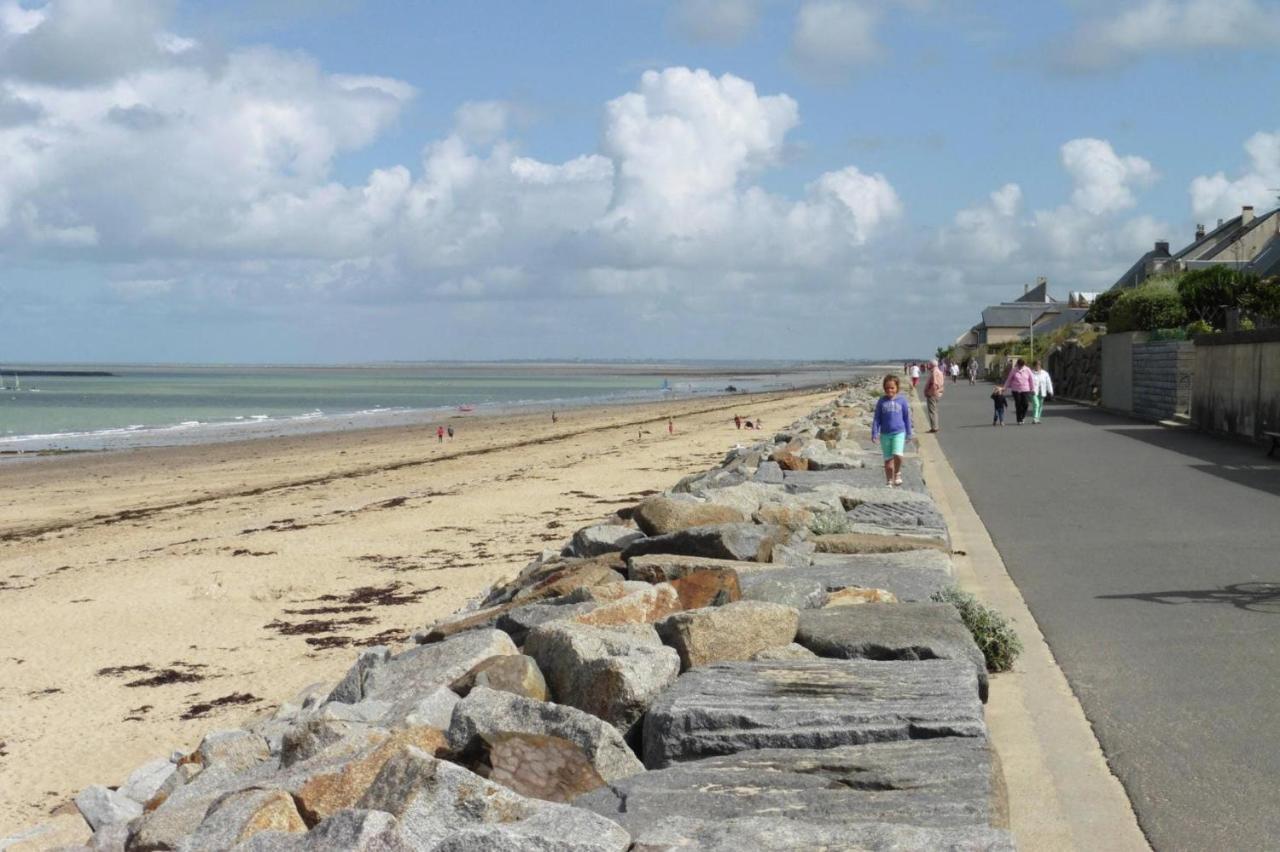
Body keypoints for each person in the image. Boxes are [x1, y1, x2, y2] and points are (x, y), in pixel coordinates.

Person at [871, 374, 913, 487]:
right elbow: (877, 418)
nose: (889, 390)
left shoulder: (902, 401)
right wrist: (874, 432)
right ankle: (889, 480)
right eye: (887, 388)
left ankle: (897, 473)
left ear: (897, 388)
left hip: (899, 432)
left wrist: (909, 433)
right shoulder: (881, 401)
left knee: (898, 455)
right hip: (885, 434)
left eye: (892, 388)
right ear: (884, 388)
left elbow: (906, 417)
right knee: (888, 462)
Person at [1002, 358, 1035, 425]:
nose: (1020, 367)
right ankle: (1019, 419)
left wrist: (1033, 389)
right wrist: (1004, 387)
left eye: (1021, 366)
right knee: (1018, 404)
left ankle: (1023, 416)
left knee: (1025, 404)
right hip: (1016, 390)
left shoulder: (1027, 370)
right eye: (1019, 365)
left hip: (1025, 389)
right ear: (1017, 364)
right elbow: (1009, 379)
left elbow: (1031, 380)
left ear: (1024, 365)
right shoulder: (1014, 370)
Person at [923, 360, 945, 433]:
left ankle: (934, 427)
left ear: (932, 365)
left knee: (932, 411)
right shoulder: (939, 372)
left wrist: (929, 393)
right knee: (934, 410)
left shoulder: (934, 372)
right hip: (938, 393)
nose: (928, 366)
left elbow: (934, 384)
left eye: (929, 364)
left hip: (933, 394)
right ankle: (935, 426)